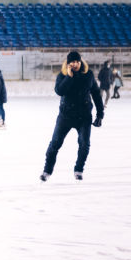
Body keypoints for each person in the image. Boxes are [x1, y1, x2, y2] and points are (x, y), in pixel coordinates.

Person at [40, 51, 104, 182]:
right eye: (72, 62)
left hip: (84, 116)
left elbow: (96, 94)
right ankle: (47, 171)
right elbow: (59, 91)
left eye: (77, 62)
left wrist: (100, 114)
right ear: (68, 64)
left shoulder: (88, 75)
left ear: (81, 62)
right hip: (66, 116)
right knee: (55, 143)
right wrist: (69, 77)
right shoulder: (62, 75)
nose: (75, 64)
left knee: (84, 143)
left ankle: (79, 170)